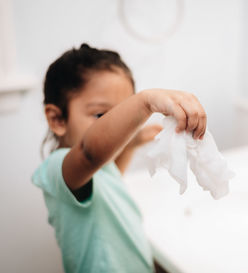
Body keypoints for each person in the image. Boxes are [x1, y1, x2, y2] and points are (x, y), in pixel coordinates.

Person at [32, 43, 207, 273]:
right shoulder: (57, 169)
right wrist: (145, 102)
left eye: (122, 113)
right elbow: (89, 152)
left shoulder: (100, 168)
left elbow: (112, 181)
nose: (116, 125)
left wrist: (131, 144)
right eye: (102, 115)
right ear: (57, 119)